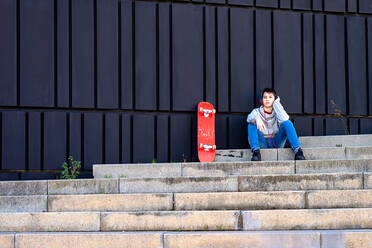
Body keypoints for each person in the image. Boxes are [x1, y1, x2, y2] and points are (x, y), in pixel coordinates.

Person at [246, 88, 306, 161]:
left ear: (274, 100)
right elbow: (249, 118)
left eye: (270, 97)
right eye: (265, 97)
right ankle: (256, 152)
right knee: (251, 125)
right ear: (262, 100)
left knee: (287, 123)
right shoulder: (256, 111)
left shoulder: (278, 112)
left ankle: (298, 151)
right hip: (263, 142)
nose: (267, 99)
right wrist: (257, 118)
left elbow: (285, 119)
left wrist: (276, 103)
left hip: (277, 142)